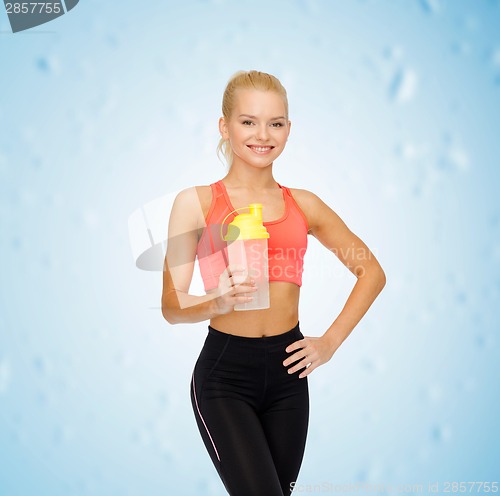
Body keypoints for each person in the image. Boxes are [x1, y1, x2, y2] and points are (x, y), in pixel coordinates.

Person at [161, 70, 386, 496]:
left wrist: (330, 342)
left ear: (288, 129)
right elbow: (172, 305)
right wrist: (214, 301)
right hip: (225, 376)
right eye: (248, 121)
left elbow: (370, 271)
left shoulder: (304, 205)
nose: (263, 134)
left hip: (288, 375)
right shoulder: (197, 204)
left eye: (275, 123)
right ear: (224, 127)